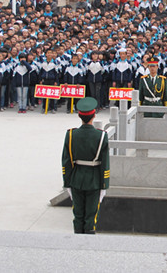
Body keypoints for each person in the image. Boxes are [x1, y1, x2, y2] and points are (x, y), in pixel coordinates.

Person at [62, 97, 110, 234]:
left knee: (78, 214)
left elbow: (66, 161)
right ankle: (88, 241)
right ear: (94, 115)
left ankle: (77, 237)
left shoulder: (71, 135)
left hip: (76, 178)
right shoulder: (101, 136)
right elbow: (105, 163)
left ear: (79, 115)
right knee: (91, 215)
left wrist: (67, 182)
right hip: (94, 179)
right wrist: (104, 185)